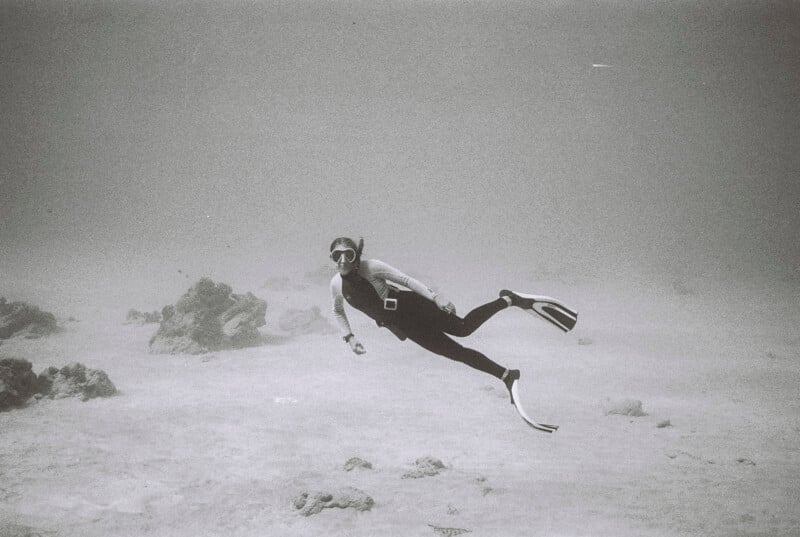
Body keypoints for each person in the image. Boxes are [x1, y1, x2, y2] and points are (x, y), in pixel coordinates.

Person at [328, 236, 546, 404]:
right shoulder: (336, 284)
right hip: (403, 325)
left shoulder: (372, 267)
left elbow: (406, 280)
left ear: (357, 255)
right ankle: (507, 375)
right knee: (456, 353)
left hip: (414, 306)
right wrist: (349, 337)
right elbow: (338, 311)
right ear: (332, 258)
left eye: (348, 254)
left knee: (463, 328)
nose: (343, 260)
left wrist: (435, 298)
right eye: (337, 255)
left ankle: (509, 299)